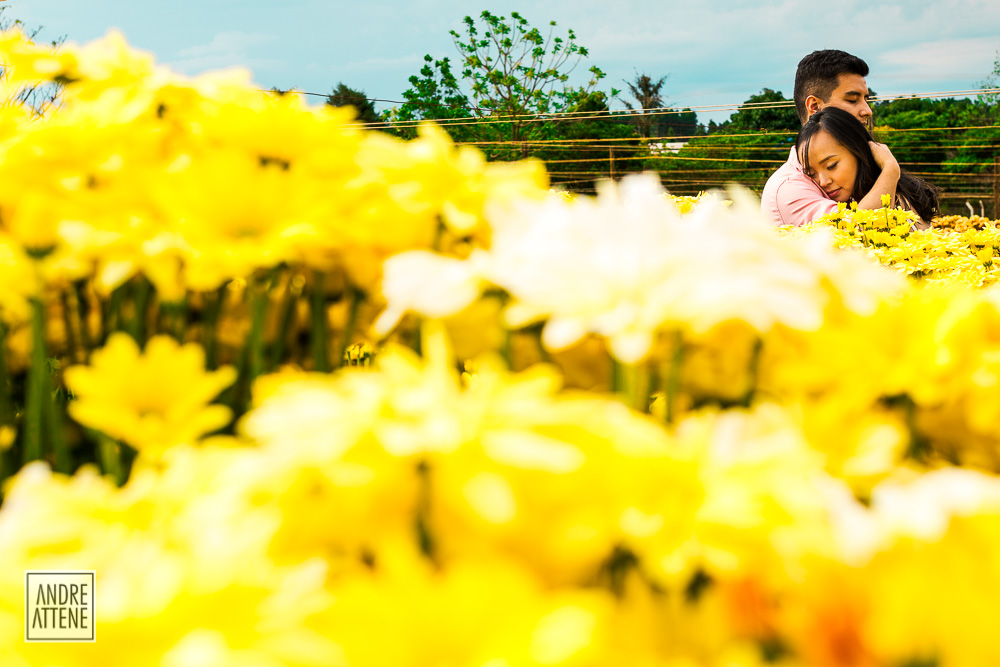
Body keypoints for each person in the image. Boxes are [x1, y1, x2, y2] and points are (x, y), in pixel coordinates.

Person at [761, 49, 893, 226]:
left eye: (866, 99)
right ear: (814, 106)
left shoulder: (855, 172)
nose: (867, 111)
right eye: (853, 100)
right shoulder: (790, 189)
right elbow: (859, 230)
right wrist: (891, 170)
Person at [796, 107, 940, 226]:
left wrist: (890, 168)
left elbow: (861, 227)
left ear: (858, 152)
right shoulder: (855, 199)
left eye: (831, 166)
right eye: (811, 174)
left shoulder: (899, 201)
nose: (823, 181)